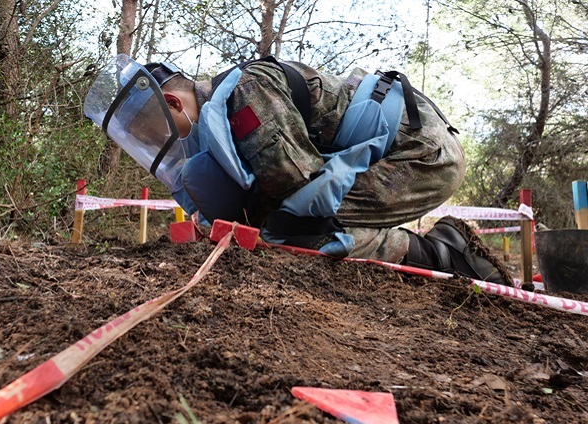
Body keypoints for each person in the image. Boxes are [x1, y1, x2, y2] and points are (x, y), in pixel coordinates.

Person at [84, 54, 512, 285]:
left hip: (422, 155)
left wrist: (242, 223)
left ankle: (449, 252)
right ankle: (435, 250)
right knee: (286, 227)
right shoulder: (222, 118)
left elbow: (298, 183)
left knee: (300, 230)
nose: (169, 144)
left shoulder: (245, 94)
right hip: (394, 151)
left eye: (162, 130)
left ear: (174, 102)